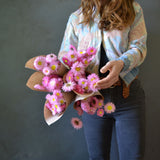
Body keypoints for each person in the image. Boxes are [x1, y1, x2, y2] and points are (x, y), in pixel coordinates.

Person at [58, 0, 147, 159]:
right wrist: (68, 77)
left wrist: (121, 63)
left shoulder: (133, 9)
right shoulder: (76, 18)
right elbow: (65, 56)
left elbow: (139, 48)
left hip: (128, 97)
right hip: (93, 100)